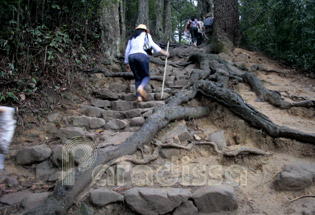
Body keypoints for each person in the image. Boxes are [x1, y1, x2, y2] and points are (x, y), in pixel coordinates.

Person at [124, 24, 169, 102]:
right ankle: (141, 88)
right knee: (146, 76)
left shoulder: (131, 38)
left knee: (138, 78)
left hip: (131, 57)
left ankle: (139, 97)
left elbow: (127, 50)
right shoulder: (146, 35)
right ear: (145, 30)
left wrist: (126, 62)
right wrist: (164, 52)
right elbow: (153, 44)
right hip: (142, 56)